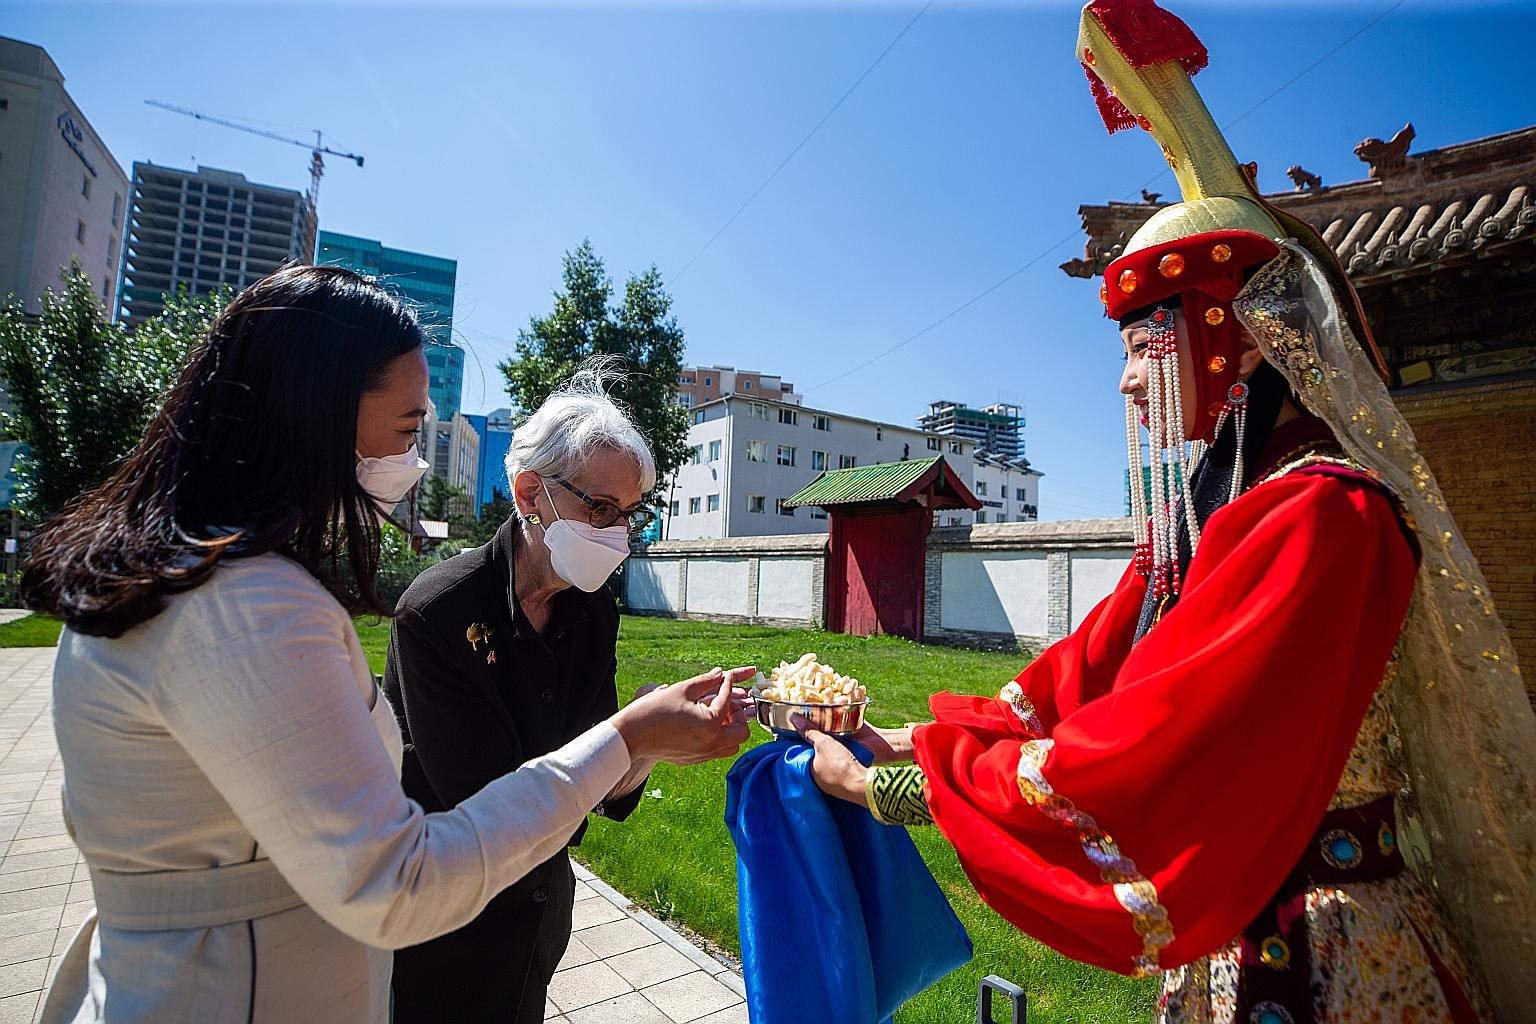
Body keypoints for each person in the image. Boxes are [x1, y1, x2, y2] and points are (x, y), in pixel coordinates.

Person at [798, 3, 1536, 1022]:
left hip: (1329, 949)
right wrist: (907, 739)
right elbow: (1077, 683)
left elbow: (1153, 754)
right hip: (1243, 944)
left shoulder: (1327, 519)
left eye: (1144, 350)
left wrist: (886, 791)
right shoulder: (1214, 526)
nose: (1127, 388)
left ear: (1228, 339)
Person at [24, 265, 753, 1024]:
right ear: (312, 416)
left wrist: (638, 744)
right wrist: (630, 735)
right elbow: (400, 877)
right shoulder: (249, 606)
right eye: (407, 431)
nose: (413, 464)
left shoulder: (218, 584)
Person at [384, 368, 748, 1022]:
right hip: (443, 923)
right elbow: (486, 809)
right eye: (600, 507)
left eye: (630, 512)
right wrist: (633, 734)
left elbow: (599, 781)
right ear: (530, 494)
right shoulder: (436, 614)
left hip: (539, 918)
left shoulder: (591, 609)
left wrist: (652, 743)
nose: (619, 533)